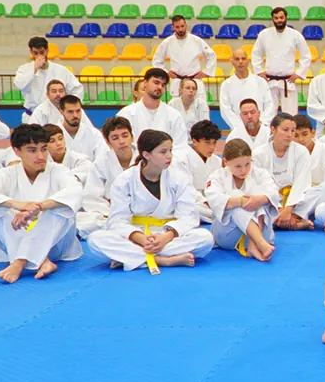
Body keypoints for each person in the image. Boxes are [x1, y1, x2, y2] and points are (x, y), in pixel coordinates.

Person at [0, 124, 83, 283]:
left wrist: (39, 207)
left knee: (60, 209)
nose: (41, 156)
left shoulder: (58, 171)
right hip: (17, 237)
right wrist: (16, 205)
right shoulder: (7, 174)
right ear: (16, 151)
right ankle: (42, 261)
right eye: (32, 150)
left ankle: (20, 261)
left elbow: (75, 191)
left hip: (55, 246)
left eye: (43, 149)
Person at [87, 129, 214, 274]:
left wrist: (166, 237)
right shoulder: (125, 180)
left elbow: (188, 216)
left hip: (168, 234)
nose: (169, 156)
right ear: (146, 154)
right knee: (95, 240)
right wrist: (140, 239)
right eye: (163, 152)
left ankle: (133, 258)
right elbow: (117, 220)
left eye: (170, 150)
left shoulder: (179, 178)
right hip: (137, 235)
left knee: (205, 239)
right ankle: (163, 260)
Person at [205, 138, 279, 262]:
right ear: (225, 162)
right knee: (235, 200)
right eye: (238, 166)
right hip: (228, 236)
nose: (243, 170)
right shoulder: (217, 177)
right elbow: (214, 199)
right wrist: (240, 201)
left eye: (247, 164)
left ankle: (253, 244)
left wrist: (260, 199)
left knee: (259, 197)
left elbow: (273, 193)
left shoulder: (260, 174)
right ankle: (260, 244)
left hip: (262, 231)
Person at [253, 113, 315, 230]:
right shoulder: (258, 154)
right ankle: (295, 223)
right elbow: (260, 185)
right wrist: (280, 209)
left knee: (322, 191)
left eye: (292, 131)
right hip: (271, 202)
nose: (289, 135)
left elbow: (301, 183)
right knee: (257, 202)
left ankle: (283, 220)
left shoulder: (301, 152)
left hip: (295, 204)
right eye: (285, 130)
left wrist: (288, 209)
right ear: (273, 129)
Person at [77, 116, 136, 238]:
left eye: (125, 135)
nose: (121, 141)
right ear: (108, 142)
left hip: (140, 212)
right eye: (115, 138)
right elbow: (92, 196)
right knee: (82, 221)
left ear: (132, 137)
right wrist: (110, 213)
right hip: (111, 212)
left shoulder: (144, 159)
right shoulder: (101, 163)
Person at [252, 7, 311, 115]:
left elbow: (306, 55)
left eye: (281, 17)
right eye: (276, 18)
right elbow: (256, 54)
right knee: (268, 113)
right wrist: (259, 71)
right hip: (270, 80)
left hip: (288, 81)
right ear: (272, 19)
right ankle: (268, 132)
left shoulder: (295, 35)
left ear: (286, 18)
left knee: (290, 114)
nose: (279, 20)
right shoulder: (264, 34)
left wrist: (299, 73)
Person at [13, 36, 83, 118]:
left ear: (47, 51)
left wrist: (70, 107)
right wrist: (35, 68)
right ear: (31, 52)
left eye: (42, 52)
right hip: (32, 115)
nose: (39, 56)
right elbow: (19, 85)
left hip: (56, 116)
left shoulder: (61, 70)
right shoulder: (24, 69)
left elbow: (77, 89)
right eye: (35, 53)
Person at [116, 69, 189, 144]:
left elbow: (180, 146)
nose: (160, 87)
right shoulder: (126, 114)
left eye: (163, 85)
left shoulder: (174, 115)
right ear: (145, 83)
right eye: (156, 82)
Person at [153, 15, 218, 100]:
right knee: (176, 109)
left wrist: (206, 72)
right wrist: (166, 73)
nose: (180, 29)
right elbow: (157, 60)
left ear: (186, 26)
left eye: (182, 26)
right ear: (173, 27)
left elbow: (211, 55)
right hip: (177, 81)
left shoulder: (196, 40)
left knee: (200, 108)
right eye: (177, 27)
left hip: (195, 80)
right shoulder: (167, 42)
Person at [171, 119, 223, 222]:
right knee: (194, 209)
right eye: (207, 143)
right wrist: (204, 201)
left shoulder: (217, 161)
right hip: (189, 199)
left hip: (210, 199)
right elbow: (186, 187)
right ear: (194, 141)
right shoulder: (181, 158)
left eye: (214, 142)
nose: (212, 147)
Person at [219, 48, 276, 132]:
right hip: (238, 130)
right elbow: (225, 110)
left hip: (261, 128)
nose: (240, 61)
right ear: (231, 62)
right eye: (237, 59)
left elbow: (269, 105)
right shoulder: (226, 85)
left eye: (243, 58)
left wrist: (262, 123)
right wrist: (238, 126)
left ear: (248, 61)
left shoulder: (260, 82)